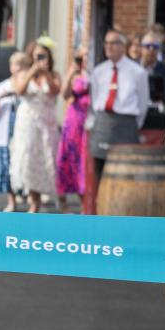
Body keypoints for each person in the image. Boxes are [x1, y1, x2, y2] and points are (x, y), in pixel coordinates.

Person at [89, 29, 149, 185]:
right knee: (101, 173)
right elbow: (94, 100)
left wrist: (131, 125)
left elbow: (143, 104)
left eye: (114, 43)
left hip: (126, 126)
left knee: (125, 175)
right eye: (106, 43)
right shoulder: (98, 71)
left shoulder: (138, 72)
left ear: (123, 46)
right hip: (103, 125)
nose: (109, 47)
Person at [10, 44, 61, 212]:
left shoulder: (54, 75)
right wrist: (32, 71)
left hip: (47, 124)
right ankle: (33, 200)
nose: (40, 59)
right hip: (28, 123)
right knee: (29, 159)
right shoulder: (24, 74)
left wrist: (45, 73)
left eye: (43, 56)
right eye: (37, 56)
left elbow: (56, 90)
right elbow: (19, 90)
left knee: (48, 159)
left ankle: (56, 199)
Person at [0, 51, 25, 212]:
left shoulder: (27, 87)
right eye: (15, 65)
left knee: (22, 166)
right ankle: (11, 200)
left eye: (22, 65)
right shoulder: (3, 86)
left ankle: (26, 196)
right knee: (5, 168)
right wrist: (0, 98)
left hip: (22, 135)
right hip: (4, 135)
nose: (18, 69)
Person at [55, 49, 91, 212]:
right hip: (74, 121)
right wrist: (70, 74)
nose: (83, 59)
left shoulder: (95, 73)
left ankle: (85, 202)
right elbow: (65, 94)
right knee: (69, 158)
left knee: (84, 162)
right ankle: (63, 201)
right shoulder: (75, 74)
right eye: (81, 57)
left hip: (89, 121)